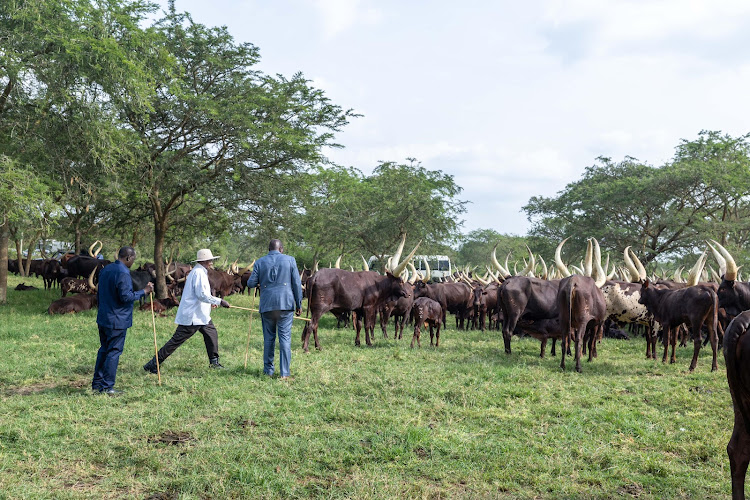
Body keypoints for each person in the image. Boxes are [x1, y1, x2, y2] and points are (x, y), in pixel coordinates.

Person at [143, 249, 229, 373]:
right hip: (193, 316)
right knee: (176, 340)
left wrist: (210, 302)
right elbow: (201, 294)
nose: (211, 262)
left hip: (202, 315)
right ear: (205, 261)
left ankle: (214, 362)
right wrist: (220, 301)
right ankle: (153, 364)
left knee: (212, 334)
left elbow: (201, 295)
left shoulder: (200, 271)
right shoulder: (198, 272)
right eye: (210, 260)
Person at [93, 246, 154, 395]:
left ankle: (97, 383)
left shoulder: (106, 269)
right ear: (127, 258)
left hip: (103, 317)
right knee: (113, 351)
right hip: (117, 319)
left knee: (104, 349)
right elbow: (126, 297)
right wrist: (144, 291)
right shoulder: (123, 272)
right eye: (133, 259)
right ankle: (107, 387)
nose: (133, 262)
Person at [246, 239, 302, 379]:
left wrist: (262, 281)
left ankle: (268, 371)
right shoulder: (290, 260)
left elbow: (251, 283)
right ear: (281, 249)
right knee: (284, 338)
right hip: (285, 304)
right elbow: (296, 283)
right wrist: (299, 304)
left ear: (268, 249)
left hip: (267, 305)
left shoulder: (260, 262)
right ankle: (284, 373)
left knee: (269, 339)